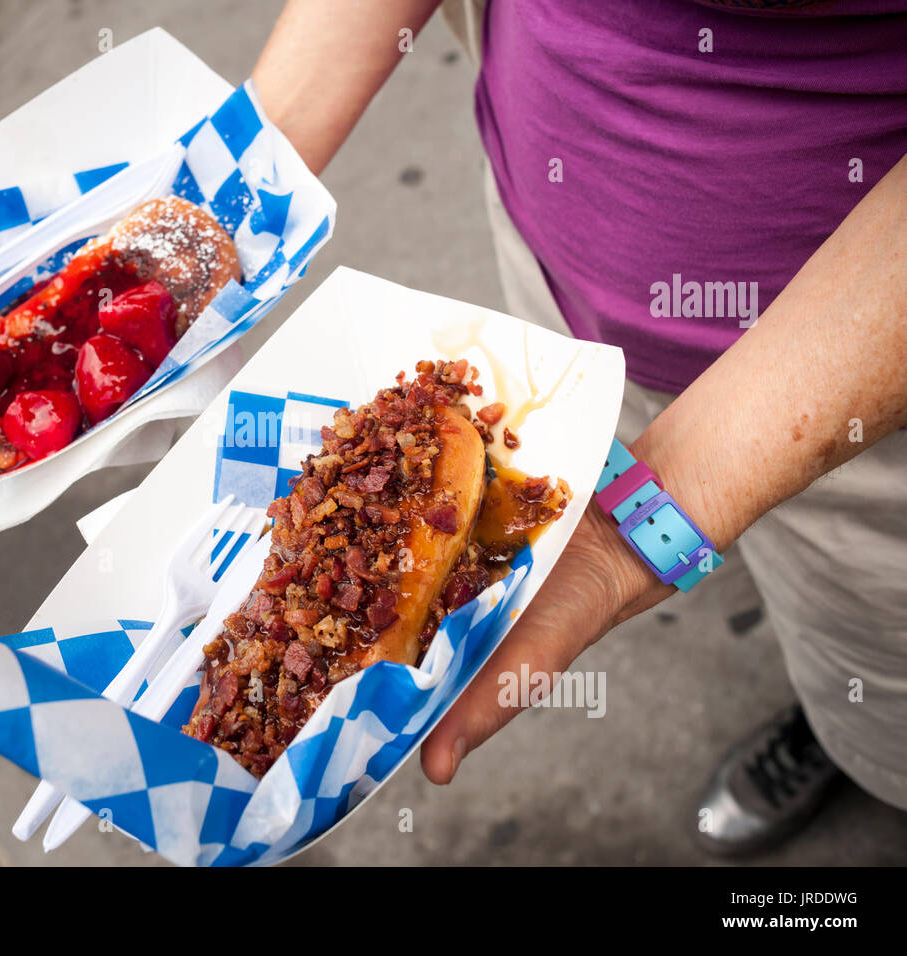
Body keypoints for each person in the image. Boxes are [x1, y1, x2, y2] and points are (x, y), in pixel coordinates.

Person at [250, 0, 907, 855]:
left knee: (877, 661)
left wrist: (666, 512)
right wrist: (247, 190)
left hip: (863, 386)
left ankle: (855, 739)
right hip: (555, 297)